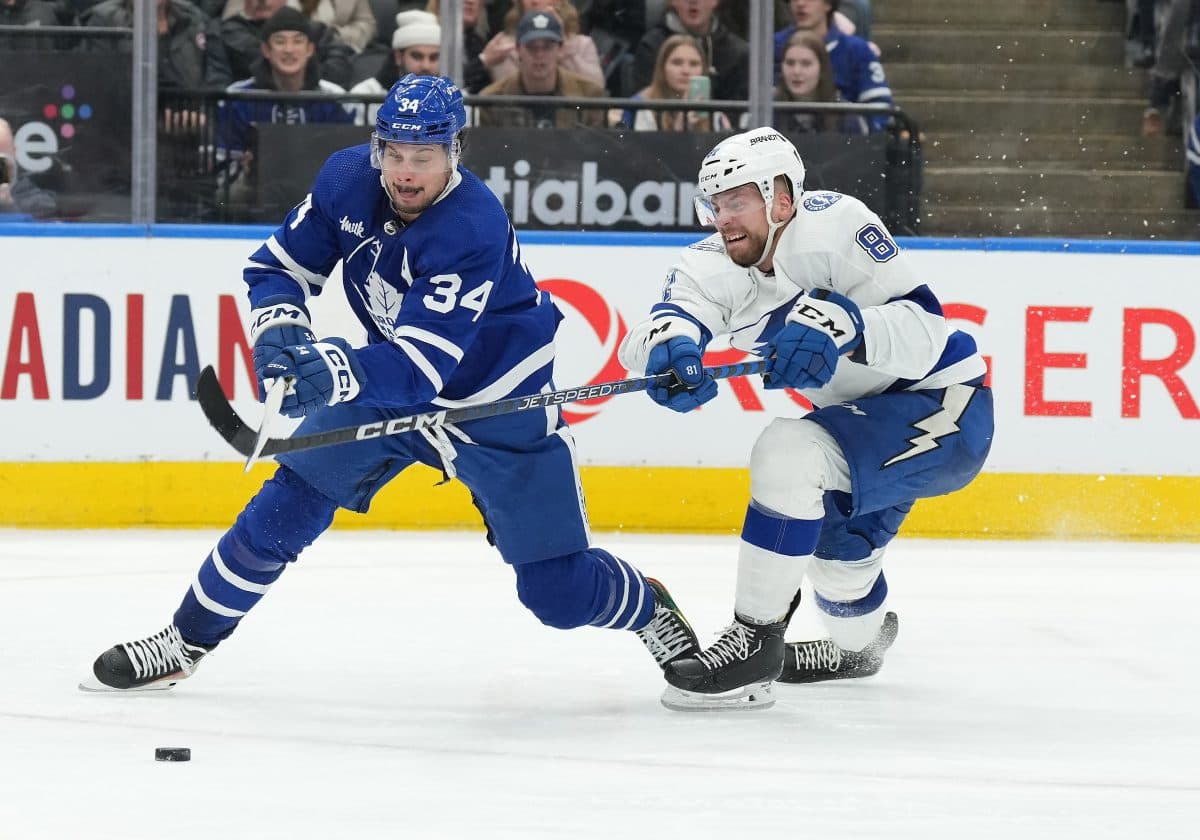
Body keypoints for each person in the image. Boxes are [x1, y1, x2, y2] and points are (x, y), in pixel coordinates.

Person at [81, 74, 699, 696]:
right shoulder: (349, 179)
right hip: (386, 378)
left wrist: (337, 369)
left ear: (454, 151)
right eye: (393, 152)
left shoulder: (471, 226)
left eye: (423, 157)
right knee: (286, 505)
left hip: (495, 405)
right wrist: (280, 323)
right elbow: (279, 267)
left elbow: (424, 368)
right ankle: (185, 641)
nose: (404, 172)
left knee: (558, 593)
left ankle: (651, 609)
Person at [617, 127, 994, 711]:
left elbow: (926, 331)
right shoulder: (710, 264)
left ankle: (754, 640)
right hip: (857, 422)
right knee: (839, 576)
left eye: (737, 200)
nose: (723, 219)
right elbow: (657, 326)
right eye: (715, 205)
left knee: (786, 452)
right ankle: (860, 649)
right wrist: (670, 349)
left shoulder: (837, 226)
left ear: (782, 197)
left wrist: (850, 326)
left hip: (944, 406)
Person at [215, 6, 355, 207]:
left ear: (310, 49)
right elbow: (220, 169)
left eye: (298, 41)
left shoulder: (335, 99)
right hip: (253, 201)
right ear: (266, 50)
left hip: (320, 203)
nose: (289, 49)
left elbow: (351, 166)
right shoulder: (238, 98)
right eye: (280, 41)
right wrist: (244, 171)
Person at [773, 0, 892, 132]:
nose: (800, 3)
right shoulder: (772, 47)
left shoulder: (859, 50)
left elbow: (880, 112)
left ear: (828, 4)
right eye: (790, 63)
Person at [476, 10, 607, 128]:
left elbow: (596, 150)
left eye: (547, 47)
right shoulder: (492, 100)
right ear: (518, 50)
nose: (539, 55)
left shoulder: (590, 95)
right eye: (531, 47)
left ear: (560, 49)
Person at [629, 0, 749, 103]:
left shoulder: (737, 52)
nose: (693, 1)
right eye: (676, 62)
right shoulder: (651, 45)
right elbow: (644, 102)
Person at [480, 0, 604, 88]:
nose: (534, 1)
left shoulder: (582, 44)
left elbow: (597, 87)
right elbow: (508, 91)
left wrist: (563, 45)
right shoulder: (504, 45)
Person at [618, 33, 724, 131]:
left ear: (703, 69)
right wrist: (679, 130)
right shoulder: (639, 108)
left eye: (694, 64)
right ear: (662, 67)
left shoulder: (715, 115)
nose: (686, 71)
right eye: (677, 63)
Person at [351, 9, 441, 118]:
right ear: (398, 57)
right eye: (417, 56)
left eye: (433, 58)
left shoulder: (456, 98)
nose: (426, 66)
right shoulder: (365, 95)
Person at [775, 29, 867, 135]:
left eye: (806, 64)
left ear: (822, 69)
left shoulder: (846, 116)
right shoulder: (768, 113)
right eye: (790, 63)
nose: (796, 71)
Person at [0, 118, 58, 220]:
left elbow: (47, 220)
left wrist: (8, 206)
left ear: (14, 154)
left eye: (2, 162)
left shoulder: (35, 201)